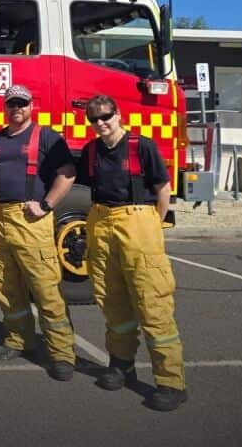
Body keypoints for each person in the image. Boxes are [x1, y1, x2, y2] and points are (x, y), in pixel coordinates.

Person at [0, 84, 77, 380]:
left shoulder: (45, 136)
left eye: (22, 103)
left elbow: (67, 174)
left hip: (30, 220)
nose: (16, 108)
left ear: (31, 106)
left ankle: (62, 353)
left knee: (45, 288)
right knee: (5, 284)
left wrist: (46, 204)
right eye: (11, 104)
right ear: (5, 107)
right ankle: (19, 340)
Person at [77, 94, 187, 411]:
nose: (100, 123)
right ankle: (121, 364)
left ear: (118, 113)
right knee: (112, 301)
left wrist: (153, 224)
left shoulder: (142, 146)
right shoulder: (91, 151)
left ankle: (171, 382)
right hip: (102, 222)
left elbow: (162, 190)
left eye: (105, 116)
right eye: (93, 119)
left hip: (138, 223)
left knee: (152, 303)